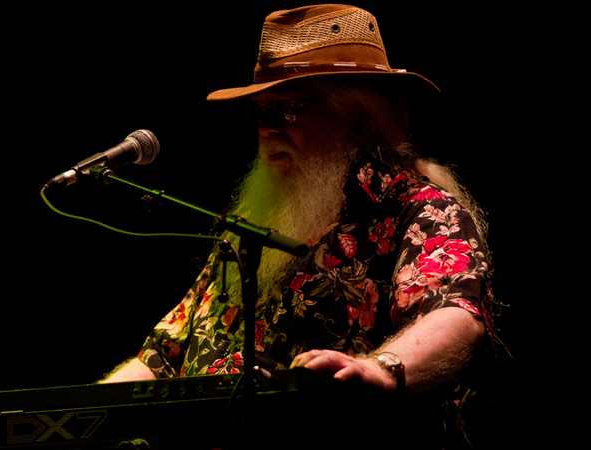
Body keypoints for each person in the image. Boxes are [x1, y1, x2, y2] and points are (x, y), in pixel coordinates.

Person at [101, 4, 495, 448]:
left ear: (362, 117)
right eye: (259, 113)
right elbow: (163, 357)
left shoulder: (418, 209)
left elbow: (455, 315)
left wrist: (380, 368)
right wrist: (83, 416)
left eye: (287, 109)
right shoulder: (253, 224)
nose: (267, 128)